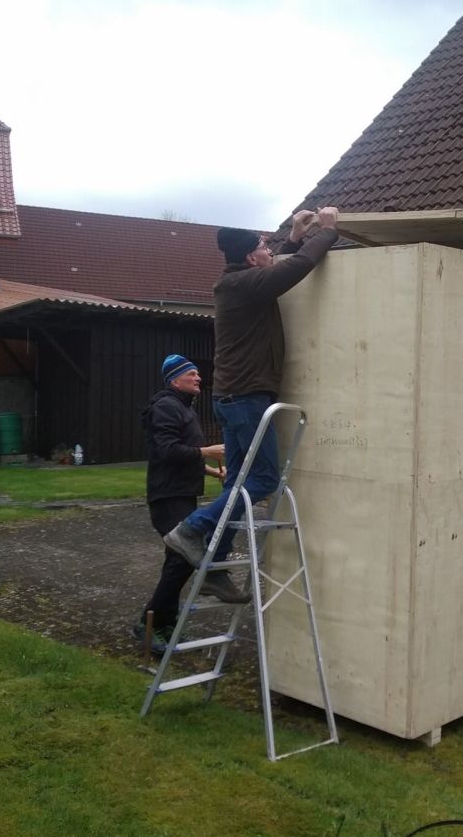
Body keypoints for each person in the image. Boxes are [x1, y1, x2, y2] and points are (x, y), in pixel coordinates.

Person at [161, 206, 340, 580]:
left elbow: (275, 263)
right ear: (249, 257)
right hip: (245, 399)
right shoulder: (245, 285)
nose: (269, 250)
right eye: (263, 246)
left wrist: (293, 234)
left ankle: (215, 569)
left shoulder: (239, 281)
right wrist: (326, 230)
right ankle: (192, 528)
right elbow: (297, 266)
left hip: (233, 398)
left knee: (238, 485)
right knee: (263, 480)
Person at [131, 354, 231, 653]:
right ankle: (147, 624)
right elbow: (167, 451)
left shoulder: (182, 408)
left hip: (182, 492)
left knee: (177, 559)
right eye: (192, 374)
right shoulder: (165, 407)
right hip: (167, 496)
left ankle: (163, 625)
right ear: (175, 379)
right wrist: (207, 451)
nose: (199, 378)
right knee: (182, 556)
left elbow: (182, 453)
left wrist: (212, 470)